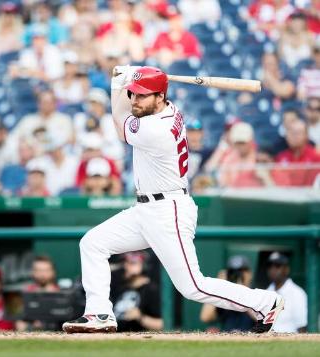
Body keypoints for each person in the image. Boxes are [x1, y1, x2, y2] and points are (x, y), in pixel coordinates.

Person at [62, 66, 284, 334]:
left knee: (193, 286)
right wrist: (129, 81)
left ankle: (265, 301)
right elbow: (129, 110)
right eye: (133, 94)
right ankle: (99, 313)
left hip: (168, 211)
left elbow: (120, 125)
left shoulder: (156, 129)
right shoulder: (168, 108)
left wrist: (116, 85)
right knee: (93, 243)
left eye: (142, 96)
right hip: (146, 208)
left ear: (159, 97)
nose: (135, 101)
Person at [200, 256, 255, 332]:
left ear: (250, 273)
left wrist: (241, 291)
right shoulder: (226, 297)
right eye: (233, 272)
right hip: (230, 340)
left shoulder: (257, 293)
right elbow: (205, 317)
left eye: (242, 271)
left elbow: (263, 319)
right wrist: (218, 286)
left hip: (252, 340)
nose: (238, 274)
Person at [111, 252, 163, 332]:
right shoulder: (119, 287)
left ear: (144, 265)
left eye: (132, 263)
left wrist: (140, 317)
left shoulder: (151, 290)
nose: (126, 266)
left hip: (137, 338)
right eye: (125, 262)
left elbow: (162, 324)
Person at [266, 252, 307, 333]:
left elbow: (302, 327)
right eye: (270, 266)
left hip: (290, 342)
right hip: (266, 341)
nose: (272, 269)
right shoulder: (266, 291)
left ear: (286, 269)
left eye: (277, 266)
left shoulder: (297, 293)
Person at [274, 120, 320, 186]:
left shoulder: (316, 157)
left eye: (297, 133)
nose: (293, 136)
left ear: (306, 135)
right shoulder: (281, 157)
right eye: (290, 133)